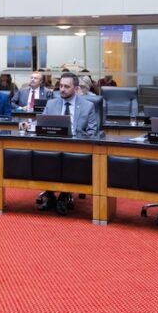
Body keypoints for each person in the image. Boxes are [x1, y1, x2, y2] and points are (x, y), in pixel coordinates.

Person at [39, 72, 100, 211]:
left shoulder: (87, 106)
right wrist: (28, 125)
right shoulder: (51, 104)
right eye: (60, 86)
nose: (62, 89)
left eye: (66, 86)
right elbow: (41, 123)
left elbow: (93, 131)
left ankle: (63, 197)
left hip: (76, 145)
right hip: (53, 144)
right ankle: (50, 195)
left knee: (67, 158)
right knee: (42, 156)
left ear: (76, 88)